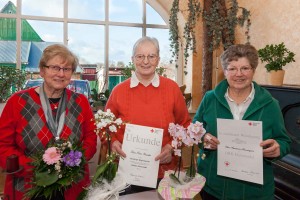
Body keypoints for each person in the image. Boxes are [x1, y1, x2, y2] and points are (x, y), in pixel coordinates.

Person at [193, 44, 291, 200]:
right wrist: (203, 138)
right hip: (214, 186)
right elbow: (194, 130)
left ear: (253, 70)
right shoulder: (210, 98)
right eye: (232, 69)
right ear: (225, 72)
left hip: (254, 192)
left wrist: (278, 148)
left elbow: (284, 141)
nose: (239, 74)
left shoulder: (270, 104)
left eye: (245, 68)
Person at [0, 44, 97, 200]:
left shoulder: (81, 102)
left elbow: (91, 138)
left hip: (71, 184)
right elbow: (3, 146)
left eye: (67, 69)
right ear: (42, 70)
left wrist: (73, 162)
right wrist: (38, 168)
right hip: (27, 186)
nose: (61, 73)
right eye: (55, 67)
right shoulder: (17, 102)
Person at [105, 36, 191, 193]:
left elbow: (185, 125)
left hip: (165, 172)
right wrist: (113, 143)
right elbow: (105, 127)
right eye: (140, 56)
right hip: (127, 172)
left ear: (158, 59)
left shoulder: (172, 89)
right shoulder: (118, 91)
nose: (146, 61)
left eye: (151, 56)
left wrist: (171, 147)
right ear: (132, 59)